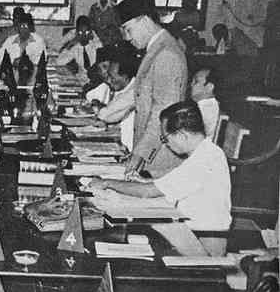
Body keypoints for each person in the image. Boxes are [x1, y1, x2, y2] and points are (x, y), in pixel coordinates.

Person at [89, 100, 231, 233]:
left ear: (182, 135)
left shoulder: (202, 160)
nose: (165, 144)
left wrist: (107, 183)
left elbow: (147, 192)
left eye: (165, 138)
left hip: (202, 235)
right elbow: (176, 182)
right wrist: (148, 182)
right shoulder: (207, 152)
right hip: (189, 226)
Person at [115, 0, 188, 177]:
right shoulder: (157, 48)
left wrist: (140, 152)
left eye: (128, 29)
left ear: (145, 20)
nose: (127, 37)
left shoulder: (166, 54)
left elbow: (163, 111)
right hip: (152, 153)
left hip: (160, 158)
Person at [96, 46, 141, 151]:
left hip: (129, 149)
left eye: (112, 77)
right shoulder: (123, 90)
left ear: (125, 77)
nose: (109, 80)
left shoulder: (134, 91)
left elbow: (104, 114)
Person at [0, 13, 47, 86]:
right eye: (21, 27)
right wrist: (12, 62)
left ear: (31, 28)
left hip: (32, 77)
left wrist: (26, 62)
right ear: (17, 28)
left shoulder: (38, 41)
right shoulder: (10, 40)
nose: (23, 30)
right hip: (12, 76)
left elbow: (42, 59)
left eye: (26, 27)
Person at [56, 15, 102, 80]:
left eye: (86, 32)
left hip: (97, 79)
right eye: (80, 32)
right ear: (76, 32)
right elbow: (59, 62)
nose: (83, 35)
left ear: (91, 32)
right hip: (82, 79)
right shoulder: (75, 48)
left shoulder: (96, 46)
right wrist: (70, 44)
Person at [190, 68, 221, 138]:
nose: (191, 85)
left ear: (209, 87)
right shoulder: (205, 104)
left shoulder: (207, 108)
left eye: (196, 82)